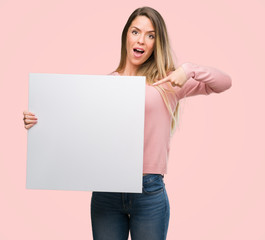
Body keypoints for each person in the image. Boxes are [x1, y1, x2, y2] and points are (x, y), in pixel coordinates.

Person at [23, 6, 232, 240]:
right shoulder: (104, 84)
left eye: (150, 35)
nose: (141, 39)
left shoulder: (168, 81)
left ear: (156, 42)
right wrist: (40, 122)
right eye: (136, 32)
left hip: (149, 190)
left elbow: (224, 83)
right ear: (126, 36)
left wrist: (188, 70)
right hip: (106, 191)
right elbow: (78, 132)